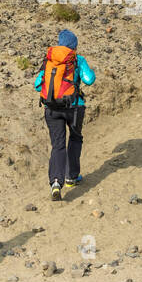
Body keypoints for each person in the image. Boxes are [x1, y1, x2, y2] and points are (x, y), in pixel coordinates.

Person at [34, 29, 95, 200]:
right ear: (74, 46)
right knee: (75, 138)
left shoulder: (49, 60)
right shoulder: (77, 59)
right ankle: (71, 177)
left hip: (52, 108)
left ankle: (55, 182)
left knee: (57, 145)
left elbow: (38, 85)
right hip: (74, 108)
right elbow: (89, 79)